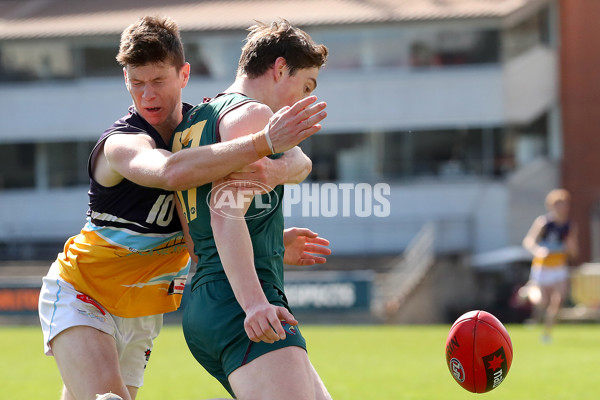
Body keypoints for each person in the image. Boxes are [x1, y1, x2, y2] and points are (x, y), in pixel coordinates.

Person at [38, 16, 330, 400]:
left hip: (144, 308)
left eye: (158, 81)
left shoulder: (197, 127)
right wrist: (263, 141)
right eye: (136, 83)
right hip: (85, 292)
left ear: (184, 75)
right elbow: (172, 172)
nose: (147, 95)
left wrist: (268, 233)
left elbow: (205, 229)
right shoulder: (121, 144)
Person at [172, 19, 332, 399]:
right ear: (279, 69)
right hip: (242, 300)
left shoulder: (197, 119)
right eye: (305, 87)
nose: (302, 103)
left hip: (207, 300)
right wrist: (255, 303)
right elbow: (224, 214)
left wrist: (271, 234)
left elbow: (299, 162)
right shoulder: (254, 116)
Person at [521, 188, 578, 343]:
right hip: (542, 267)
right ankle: (529, 289)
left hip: (558, 268)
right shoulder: (544, 223)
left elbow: (574, 252)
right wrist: (538, 250)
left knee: (558, 301)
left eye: (565, 204)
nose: (562, 208)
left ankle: (546, 333)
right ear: (552, 206)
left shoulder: (569, 226)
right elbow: (528, 241)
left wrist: (570, 248)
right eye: (558, 204)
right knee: (542, 302)